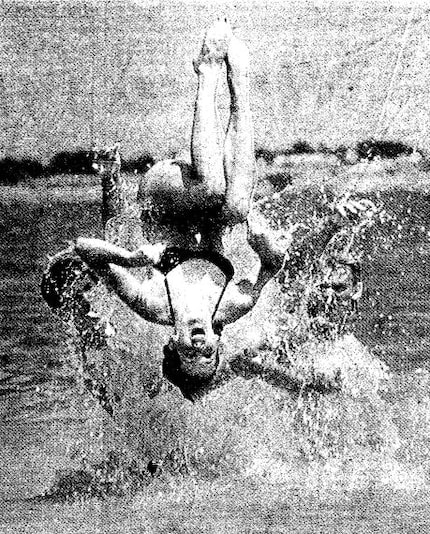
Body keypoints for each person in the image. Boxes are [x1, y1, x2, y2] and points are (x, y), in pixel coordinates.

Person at [42, 20, 373, 402]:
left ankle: (207, 72)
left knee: (214, 189)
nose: (199, 345)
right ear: (217, 341)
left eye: (189, 353)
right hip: (206, 185)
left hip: (163, 195)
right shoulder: (234, 306)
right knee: (235, 207)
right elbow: (274, 265)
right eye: (207, 353)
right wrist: (264, 246)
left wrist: (132, 257)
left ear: (173, 343)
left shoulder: (151, 303)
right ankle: (240, 88)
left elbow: (87, 247)